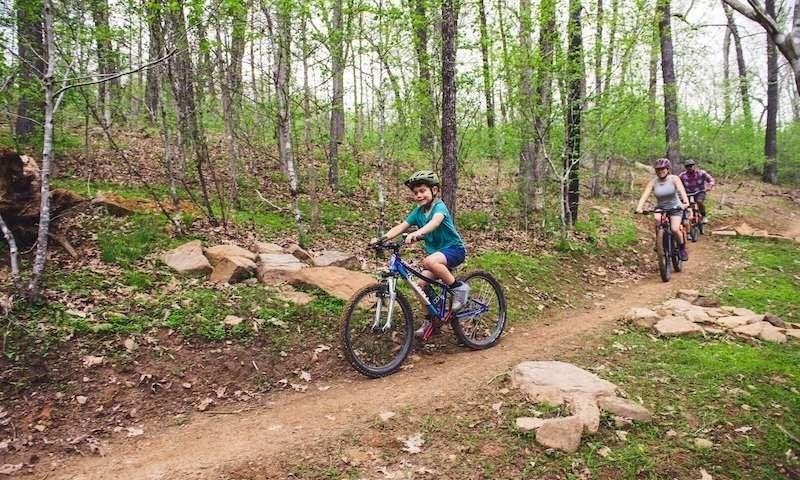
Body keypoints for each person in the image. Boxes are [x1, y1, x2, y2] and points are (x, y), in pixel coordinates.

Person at [370, 170, 469, 337]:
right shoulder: (417, 212)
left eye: (422, 191)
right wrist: (382, 239)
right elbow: (400, 227)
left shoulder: (440, 206)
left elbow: (435, 222)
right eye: (415, 193)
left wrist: (418, 233)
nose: (419, 195)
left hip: (454, 250)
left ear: (434, 190)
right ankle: (431, 321)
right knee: (420, 286)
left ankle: (459, 289)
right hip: (438, 256)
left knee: (428, 262)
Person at [635, 158, 691, 261]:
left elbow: (681, 190)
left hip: (675, 206)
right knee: (657, 219)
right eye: (658, 170)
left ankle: (682, 248)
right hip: (661, 207)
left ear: (668, 169)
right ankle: (659, 242)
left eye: (662, 169)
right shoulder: (653, 181)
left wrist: (686, 203)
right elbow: (645, 194)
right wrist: (639, 207)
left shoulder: (674, 179)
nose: (660, 171)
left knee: (674, 229)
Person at [678, 158, 715, 223]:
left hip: (700, 191)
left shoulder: (701, 173)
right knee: (684, 205)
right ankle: (684, 218)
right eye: (687, 166)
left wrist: (709, 186)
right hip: (687, 193)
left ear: (694, 166)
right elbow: (677, 183)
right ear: (685, 167)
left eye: (691, 166)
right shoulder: (682, 175)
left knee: (699, 201)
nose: (690, 167)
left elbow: (711, 179)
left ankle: (704, 216)